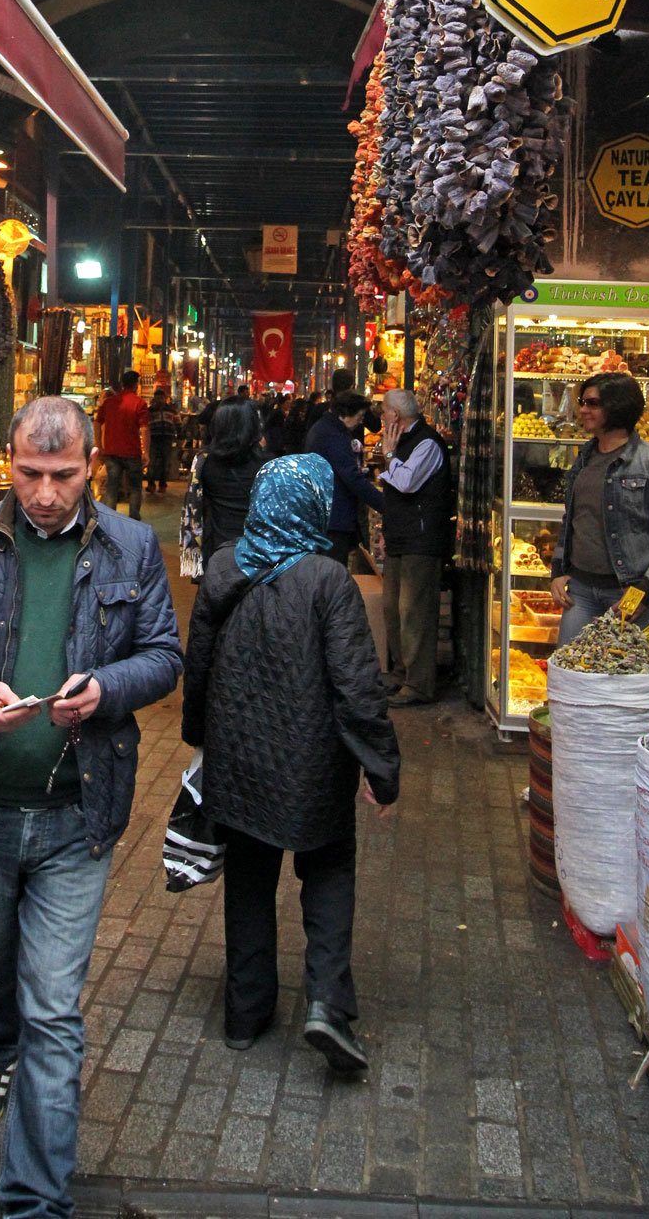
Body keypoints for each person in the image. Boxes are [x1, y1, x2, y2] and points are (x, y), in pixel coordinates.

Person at [0, 396, 181, 1219]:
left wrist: (106, 688)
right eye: (29, 474)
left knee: (53, 1006)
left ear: (91, 464)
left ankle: (33, 1200)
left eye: (62, 475)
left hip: (73, 816)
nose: (46, 493)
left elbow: (164, 653)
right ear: (4, 461)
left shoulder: (128, 545)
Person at [182, 454, 399, 1067]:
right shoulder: (329, 582)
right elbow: (358, 687)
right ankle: (326, 1004)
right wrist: (381, 771)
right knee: (328, 874)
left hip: (240, 759)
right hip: (315, 764)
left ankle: (245, 1014)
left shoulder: (226, 566)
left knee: (249, 882)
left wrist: (199, 737)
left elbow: (196, 663)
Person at [550, 373, 649, 644]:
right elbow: (572, 520)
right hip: (580, 592)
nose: (583, 410)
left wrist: (644, 592)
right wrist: (558, 570)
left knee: (636, 680)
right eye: (583, 402)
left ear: (617, 407)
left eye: (592, 403)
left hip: (632, 593)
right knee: (570, 678)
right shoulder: (584, 460)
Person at [365, 388, 452, 708]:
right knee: (393, 608)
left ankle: (419, 683)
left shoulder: (427, 443)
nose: (381, 417)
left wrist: (388, 457)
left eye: (384, 412)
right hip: (402, 536)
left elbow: (406, 482)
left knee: (413, 611)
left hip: (421, 538)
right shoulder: (403, 441)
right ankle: (402, 672)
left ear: (396, 416)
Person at [179, 399, 265, 578]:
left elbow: (196, 506)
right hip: (259, 552)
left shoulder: (205, 463)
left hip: (218, 549)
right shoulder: (267, 465)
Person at [305, 390, 382, 569]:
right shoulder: (334, 436)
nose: (361, 421)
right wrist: (382, 503)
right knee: (332, 572)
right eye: (360, 415)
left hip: (324, 513)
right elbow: (351, 477)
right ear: (345, 415)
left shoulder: (324, 429)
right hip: (334, 517)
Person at [97, 369, 148, 517]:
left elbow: (97, 423)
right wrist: (146, 452)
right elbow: (144, 430)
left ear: (122, 384)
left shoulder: (109, 403)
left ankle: (111, 520)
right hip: (132, 452)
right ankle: (133, 520)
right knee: (135, 488)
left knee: (112, 487)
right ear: (136, 385)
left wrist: (98, 445)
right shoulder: (140, 403)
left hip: (112, 452)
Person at [145, 388, 179, 494]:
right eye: (157, 398)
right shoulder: (150, 411)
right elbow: (145, 424)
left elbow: (178, 422)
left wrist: (180, 437)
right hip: (154, 438)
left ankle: (162, 484)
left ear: (165, 399)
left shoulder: (171, 410)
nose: (159, 400)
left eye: (161, 398)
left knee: (165, 462)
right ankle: (151, 484)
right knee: (152, 462)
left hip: (167, 437)